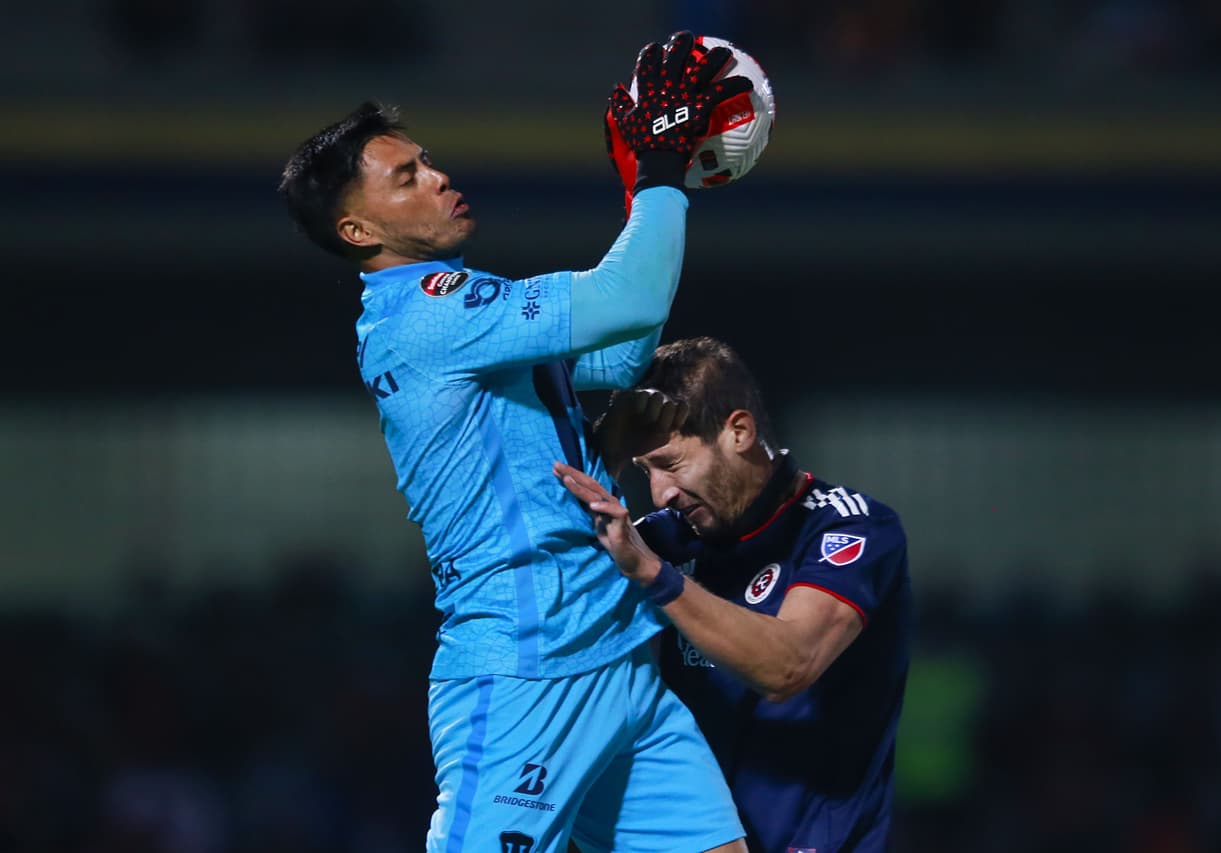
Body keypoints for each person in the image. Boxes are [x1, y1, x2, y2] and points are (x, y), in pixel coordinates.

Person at [277, 34, 754, 853]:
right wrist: (663, 173)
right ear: (358, 229)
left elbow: (622, 345)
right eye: (408, 177)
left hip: (616, 650)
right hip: (528, 667)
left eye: (428, 161)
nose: (438, 177)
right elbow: (626, 296)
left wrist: (651, 180)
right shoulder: (428, 312)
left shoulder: (466, 310)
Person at [555, 336, 913, 853]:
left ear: (738, 432)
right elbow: (548, 581)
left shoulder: (852, 529)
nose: (660, 494)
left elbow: (787, 666)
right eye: (644, 472)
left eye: (671, 464)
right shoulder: (667, 538)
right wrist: (606, 452)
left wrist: (657, 577)